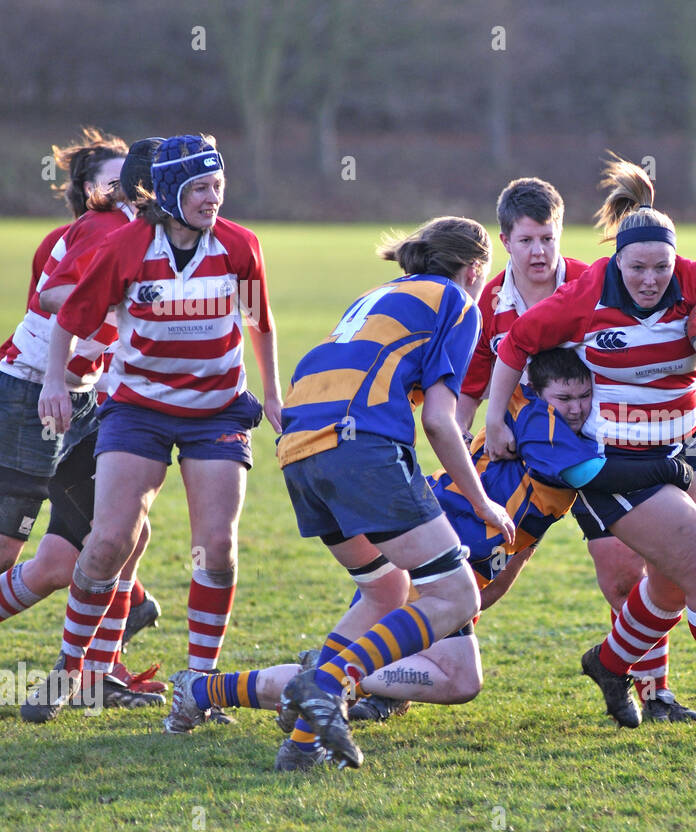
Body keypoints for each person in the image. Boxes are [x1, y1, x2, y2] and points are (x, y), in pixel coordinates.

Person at [167, 349, 692, 767]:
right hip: (434, 558)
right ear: (537, 391)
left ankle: (215, 687)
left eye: (584, 395)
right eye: (565, 395)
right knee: (459, 679)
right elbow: (588, 476)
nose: (576, 406)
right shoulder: (541, 424)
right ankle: (309, 676)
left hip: (441, 551)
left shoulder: (534, 414)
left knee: (440, 673)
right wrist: (670, 470)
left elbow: (525, 533)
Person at [484, 155, 696, 743]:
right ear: (617, 262)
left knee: (675, 582)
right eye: (638, 268)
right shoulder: (586, 294)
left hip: (690, 445)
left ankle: (609, 664)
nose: (651, 279)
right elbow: (516, 345)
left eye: (662, 266)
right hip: (620, 462)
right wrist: (494, 421)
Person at [34, 134, 283, 727]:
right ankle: (71, 671)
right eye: (200, 188)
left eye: (218, 186)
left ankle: (197, 688)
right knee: (109, 540)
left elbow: (261, 324)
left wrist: (272, 395)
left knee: (217, 546)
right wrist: (52, 383)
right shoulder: (126, 247)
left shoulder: (240, 246)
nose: (212, 198)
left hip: (217, 412)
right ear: (170, 192)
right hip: (137, 410)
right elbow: (68, 317)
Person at [261, 215, 516, 771]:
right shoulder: (458, 301)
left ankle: (302, 748)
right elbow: (442, 424)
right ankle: (327, 682)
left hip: (299, 451)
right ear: (476, 269)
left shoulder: (379, 296)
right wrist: (480, 501)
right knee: (456, 597)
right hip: (358, 448)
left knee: (385, 592)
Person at [456, 176, 696, 721]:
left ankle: (653, 693)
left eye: (548, 238)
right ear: (505, 240)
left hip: (601, 452)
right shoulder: (491, 305)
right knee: (484, 579)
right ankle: (413, 663)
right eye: (526, 241)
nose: (539, 251)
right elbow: (470, 390)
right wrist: (464, 450)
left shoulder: (597, 282)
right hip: (523, 466)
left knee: (625, 576)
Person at [3, 134, 167, 715]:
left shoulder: (147, 233)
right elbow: (52, 300)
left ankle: (95, 673)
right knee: (28, 556)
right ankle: (98, 664)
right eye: (116, 178)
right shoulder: (102, 231)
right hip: (31, 395)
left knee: (122, 532)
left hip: (85, 399)